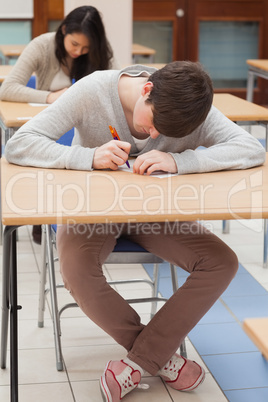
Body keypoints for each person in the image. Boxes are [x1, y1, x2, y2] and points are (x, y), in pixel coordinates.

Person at [5, 61, 266, 402]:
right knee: (75, 269)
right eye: (154, 123)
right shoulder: (93, 90)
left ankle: (138, 361)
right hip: (91, 207)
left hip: (155, 213)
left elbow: (252, 149)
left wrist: (181, 161)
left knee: (221, 261)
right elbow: (20, 144)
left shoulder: (187, 105)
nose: (155, 136)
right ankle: (156, 356)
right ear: (146, 90)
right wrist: (87, 156)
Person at [0, 5, 118, 244]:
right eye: (74, 44)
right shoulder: (41, 45)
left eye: (86, 48)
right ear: (64, 30)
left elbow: (112, 91)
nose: (79, 52)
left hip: (88, 127)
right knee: (42, 153)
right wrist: (49, 97)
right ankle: (42, 215)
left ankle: (92, 213)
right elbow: (8, 88)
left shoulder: (101, 52)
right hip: (52, 123)